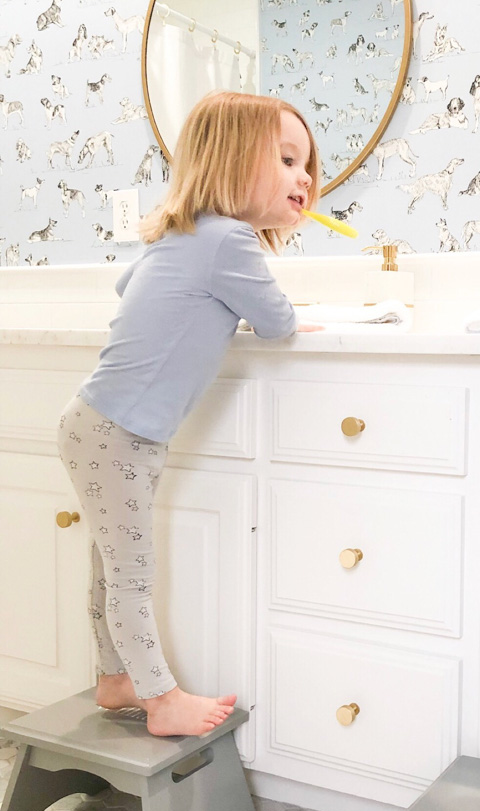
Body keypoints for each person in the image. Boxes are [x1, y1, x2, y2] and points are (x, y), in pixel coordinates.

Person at [57, 91, 321, 737]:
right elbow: (278, 324)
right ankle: (160, 699)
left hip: (101, 424)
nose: (306, 177)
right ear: (232, 161)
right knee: (132, 574)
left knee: (109, 564)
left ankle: (116, 678)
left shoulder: (179, 233)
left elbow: (131, 289)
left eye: (307, 164)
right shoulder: (230, 239)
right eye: (287, 160)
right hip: (121, 434)